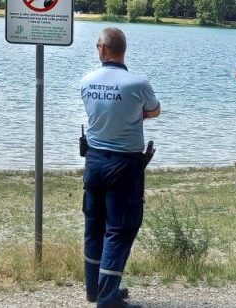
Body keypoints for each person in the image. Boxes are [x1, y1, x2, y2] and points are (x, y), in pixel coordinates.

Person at [81, 27, 161, 308]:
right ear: (122, 49)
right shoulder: (137, 83)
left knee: (94, 226)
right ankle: (108, 297)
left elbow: (95, 110)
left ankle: (95, 289)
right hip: (124, 164)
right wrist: (131, 113)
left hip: (94, 161)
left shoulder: (87, 81)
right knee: (120, 228)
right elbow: (154, 111)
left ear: (103, 49)